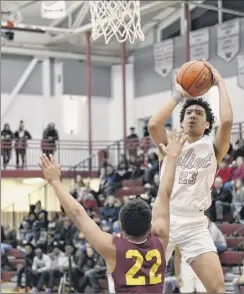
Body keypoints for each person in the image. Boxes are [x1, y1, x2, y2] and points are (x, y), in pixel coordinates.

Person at [38, 129, 187, 293]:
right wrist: (172, 159)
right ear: (149, 226)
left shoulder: (113, 248)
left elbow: (78, 214)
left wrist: (54, 181)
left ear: (121, 228)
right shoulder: (161, 237)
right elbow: (164, 194)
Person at [148, 59, 233, 293]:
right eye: (189, 113)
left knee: (217, 288)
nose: (193, 115)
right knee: (146, 285)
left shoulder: (213, 147)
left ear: (206, 124)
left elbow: (226, 121)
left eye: (199, 112)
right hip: (166, 216)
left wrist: (221, 84)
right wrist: (178, 95)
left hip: (195, 222)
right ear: (182, 121)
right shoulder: (169, 144)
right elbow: (154, 124)